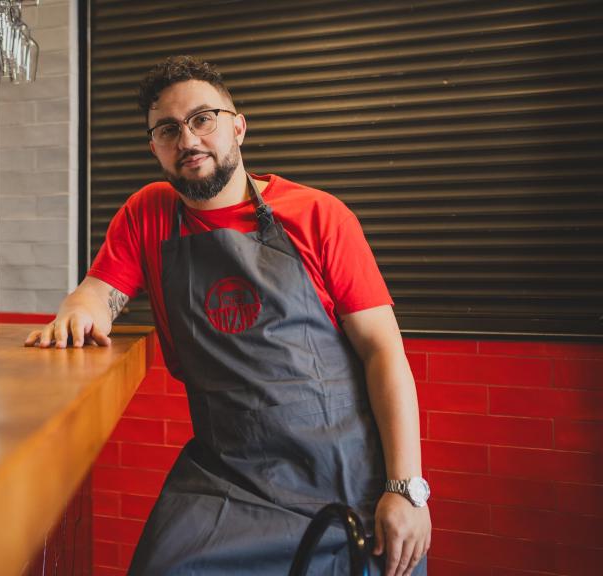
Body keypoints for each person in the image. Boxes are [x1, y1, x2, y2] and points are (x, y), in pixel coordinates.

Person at [25, 56, 431, 576]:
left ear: (237, 126)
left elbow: (384, 352)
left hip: (346, 475)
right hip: (227, 476)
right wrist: (79, 315)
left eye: (203, 118)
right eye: (168, 129)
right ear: (155, 147)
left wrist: (405, 490)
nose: (188, 139)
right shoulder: (148, 214)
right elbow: (96, 295)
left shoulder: (319, 216)